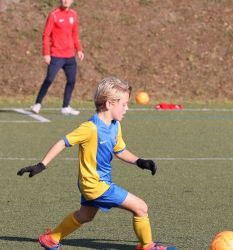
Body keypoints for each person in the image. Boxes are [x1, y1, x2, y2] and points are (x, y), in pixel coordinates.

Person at [18, 77, 175, 250]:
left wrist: (139, 161)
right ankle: (147, 246)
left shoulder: (115, 125)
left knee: (85, 215)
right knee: (141, 208)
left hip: (97, 182)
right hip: (95, 184)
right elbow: (63, 142)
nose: (127, 108)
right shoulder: (90, 128)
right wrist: (42, 165)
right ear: (109, 104)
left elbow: (120, 151)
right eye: (124, 104)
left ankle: (52, 238)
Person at [31, 0, 84, 115]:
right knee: (49, 79)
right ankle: (37, 103)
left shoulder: (73, 15)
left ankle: (65, 106)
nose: (66, 1)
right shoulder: (54, 15)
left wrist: (78, 49)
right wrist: (46, 53)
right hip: (56, 55)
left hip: (70, 56)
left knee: (71, 80)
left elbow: (74, 34)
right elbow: (46, 35)